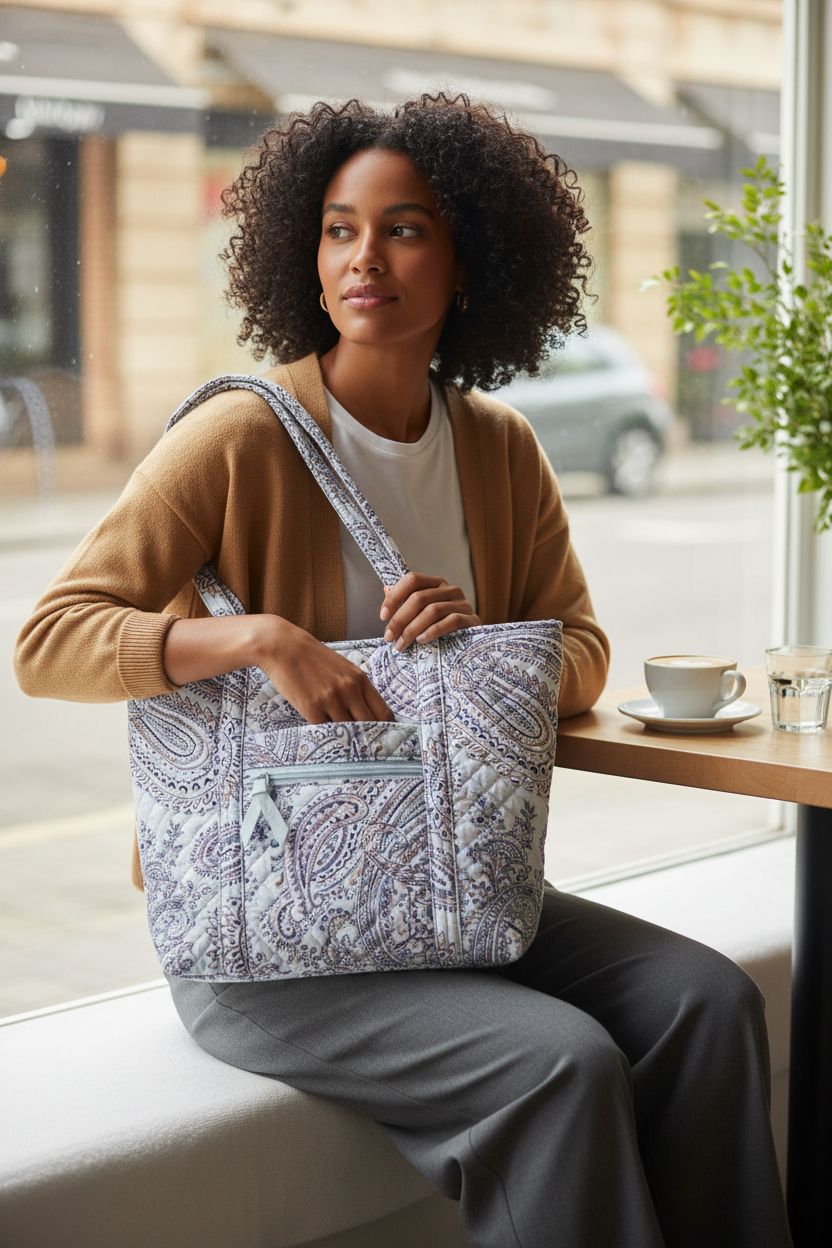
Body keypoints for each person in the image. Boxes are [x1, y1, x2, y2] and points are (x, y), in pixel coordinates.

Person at [14, 94, 791, 1248]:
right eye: (337, 228)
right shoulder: (243, 437)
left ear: (472, 259)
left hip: (452, 891)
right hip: (262, 925)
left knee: (707, 1001)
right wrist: (260, 638)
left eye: (405, 228)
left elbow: (576, 654)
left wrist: (478, 635)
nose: (363, 256)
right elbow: (50, 641)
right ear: (303, 255)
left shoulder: (498, 449)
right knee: (558, 1064)